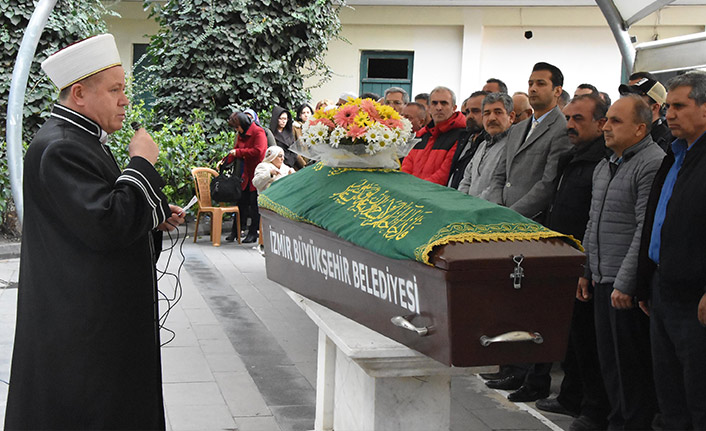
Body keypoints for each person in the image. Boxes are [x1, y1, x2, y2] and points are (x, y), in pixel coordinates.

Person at [4, 34, 184, 430]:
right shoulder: (61, 147)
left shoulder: (78, 139)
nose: (125, 100)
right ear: (80, 94)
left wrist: (150, 215)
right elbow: (107, 224)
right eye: (115, 89)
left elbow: (93, 218)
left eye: (125, 89)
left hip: (89, 322)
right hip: (82, 333)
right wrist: (141, 163)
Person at [581, 94, 663, 430]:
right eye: (607, 119)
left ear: (641, 128)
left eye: (616, 121)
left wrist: (626, 283)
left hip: (622, 285)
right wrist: (585, 270)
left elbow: (644, 229)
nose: (606, 126)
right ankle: (617, 421)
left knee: (631, 369)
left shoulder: (651, 163)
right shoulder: (606, 164)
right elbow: (592, 221)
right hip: (601, 277)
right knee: (610, 366)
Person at [534, 94, 611, 431]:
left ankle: (593, 409)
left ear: (601, 123)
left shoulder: (600, 163)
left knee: (588, 341)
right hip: (563, 257)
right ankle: (571, 396)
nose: (570, 125)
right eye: (568, 118)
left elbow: (593, 218)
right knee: (572, 338)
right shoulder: (573, 158)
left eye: (579, 119)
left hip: (586, 263)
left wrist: (585, 264)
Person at [636, 71, 706, 430]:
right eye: (669, 107)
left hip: (695, 298)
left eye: (680, 106)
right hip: (663, 287)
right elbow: (655, 221)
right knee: (670, 394)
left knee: (698, 396)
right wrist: (645, 280)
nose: (670, 114)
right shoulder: (675, 154)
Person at [487, 62, 572, 222]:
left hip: (530, 221)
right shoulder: (517, 128)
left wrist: (511, 214)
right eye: (530, 83)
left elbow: (548, 183)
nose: (533, 88)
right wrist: (497, 207)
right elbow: (499, 174)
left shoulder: (561, 129)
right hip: (500, 215)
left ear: (557, 91)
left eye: (541, 84)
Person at [401, 86, 467, 185]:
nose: (439, 107)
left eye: (444, 103)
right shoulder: (423, 134)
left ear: (454, 108)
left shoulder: (461, 135)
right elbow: (407, 165)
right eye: (434, 103)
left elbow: (444, 174)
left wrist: (416, 188)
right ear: (429, 108)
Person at [458, 92, 514, 198]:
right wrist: (461, 202)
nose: (492, 118)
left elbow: (499, 185)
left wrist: (472, 205)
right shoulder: (482, 145)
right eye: (487, 113)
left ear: (511, 117)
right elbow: (466, 179)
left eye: (498, 112)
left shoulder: (514, 145)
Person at [225, 112, 267, 243]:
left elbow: (259, 151)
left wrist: (239, 153)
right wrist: (225, 161)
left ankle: (253, 233)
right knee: (241, 202)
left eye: (237, 127)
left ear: (243, 124)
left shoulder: (258, 132)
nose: (236, 130)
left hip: (256, 172)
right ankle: (235, 231)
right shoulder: (241, 135)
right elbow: (235, 150)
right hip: (245, 173)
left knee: (254, 205)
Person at [618, 77, 674, 152]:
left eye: (636, 100)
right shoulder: (626, 133)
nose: (628, 104)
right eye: (629, 98)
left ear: (654, 107)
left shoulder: (664, 141)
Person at [448, 91, 489, 189]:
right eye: (467, 112)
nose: (469, 116)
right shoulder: (463, 138)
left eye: (475, 111)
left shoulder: (488, 143)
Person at [270, 106, 304, 170]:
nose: (283, 121)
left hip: (293, 165)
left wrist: (303, 165)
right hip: (279, 166)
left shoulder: (290, 133)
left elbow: (294, 151)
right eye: (281, 119)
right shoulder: (271, 134)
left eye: (285, 119)